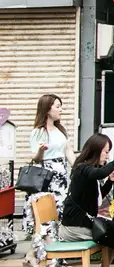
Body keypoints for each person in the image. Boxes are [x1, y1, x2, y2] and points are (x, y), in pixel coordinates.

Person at [60, 134, 114, 267]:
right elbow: (99, 174)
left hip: (81, 223)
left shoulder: (86, 169)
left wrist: (111, 181)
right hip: (74, 228)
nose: (107, 156)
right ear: (96, 150)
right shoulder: (83, 168)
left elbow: (97, 197)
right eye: (106, 152)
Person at [22, 95, 75, 241]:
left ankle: (52, 250)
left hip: (61, 175)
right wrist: (41, 150)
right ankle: (45, 252)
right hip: (46, 176)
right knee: (47, 213)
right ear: (47, 109)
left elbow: (68, 150)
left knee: (60, 211)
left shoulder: (60, 130)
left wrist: (76, 167)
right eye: (57, 106)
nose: (61, 110)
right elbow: (36, 158)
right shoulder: (38, 132)